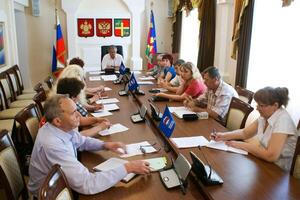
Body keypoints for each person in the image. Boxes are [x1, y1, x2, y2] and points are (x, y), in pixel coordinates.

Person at [28, 94, 150, 196]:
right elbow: (87, 184)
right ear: (58, 121)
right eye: (73, 113)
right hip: (51, 194)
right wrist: (128, 167)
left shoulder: (59, 127)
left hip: (60, 183)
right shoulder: (53, 145)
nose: (78, 116)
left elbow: (81, 141)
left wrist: (105, 145)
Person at [211, 87, 297, 171]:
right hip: (264, 163)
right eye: (257, 104)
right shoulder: (265, 116)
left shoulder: (283, 121)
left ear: (275, 105)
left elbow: (271, 156)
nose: (257, 108)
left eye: (261, 105)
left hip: (279, 171)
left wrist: (241, 145)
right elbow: (245, 133)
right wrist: (223, 136)